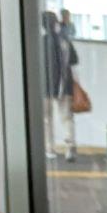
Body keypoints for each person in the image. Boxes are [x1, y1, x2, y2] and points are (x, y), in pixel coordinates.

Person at [41, 9, 81, 161]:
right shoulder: (65, 41)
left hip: (45, 87)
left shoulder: (40, 42)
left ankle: (49, 149)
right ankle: (70, 147)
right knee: (67, 118)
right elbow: (74, 61)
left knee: (46, 119)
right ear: (55, 23)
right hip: (65, 85)